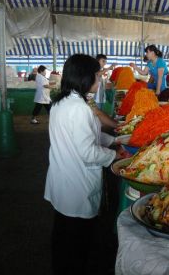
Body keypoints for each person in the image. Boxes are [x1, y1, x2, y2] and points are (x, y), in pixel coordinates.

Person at [44, 54, 127, 275]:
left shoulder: (62, 102)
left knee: (62, 233)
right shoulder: (79, 108)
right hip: (76, 183)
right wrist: (114, 157)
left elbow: (89, 136)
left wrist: (114, 142)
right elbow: (87, 151)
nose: (99, 81)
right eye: (97, 76)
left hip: (63, 179)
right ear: (84, 77)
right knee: (76, 240)